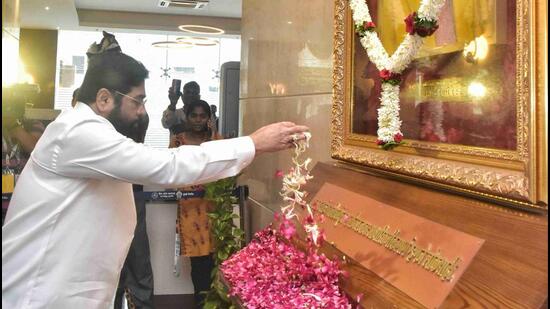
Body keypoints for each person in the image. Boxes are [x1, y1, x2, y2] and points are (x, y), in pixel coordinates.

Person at [1, 34, 309, 308]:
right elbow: (166, 165)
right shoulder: (78, 132)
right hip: (39, 293)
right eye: (138, 101)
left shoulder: (90, 129)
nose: (142, 111)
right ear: (104, 98)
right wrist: (253, 143)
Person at [169, 100, 220, 308]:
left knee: (217, 261)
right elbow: (170, 174)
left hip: (214, 209)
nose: (199, 120)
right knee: (199, 264)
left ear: (209, 118)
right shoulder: (178, 142)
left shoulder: (217, 141)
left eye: (203, 116)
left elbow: (226, 172)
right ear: (186, 117)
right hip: (190, 211)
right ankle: (201, 303)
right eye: (194, 115)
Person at [114, 113, 154, 309]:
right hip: (105, 201)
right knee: (111, 267)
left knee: (139, 265)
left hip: (133, 195)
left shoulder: (134, 119)